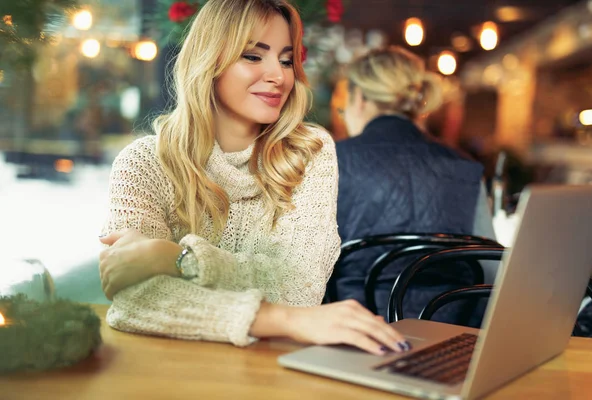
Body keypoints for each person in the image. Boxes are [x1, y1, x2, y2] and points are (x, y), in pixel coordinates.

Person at [98, 0, 409, 356]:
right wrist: (284, 319)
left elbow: (299, 288)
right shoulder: (143, 163)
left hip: (273, 371)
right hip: (171, 373)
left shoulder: (309, 152)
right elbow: (134, 302)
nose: (279, 75)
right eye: (253, 56)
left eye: (286, 59)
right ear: (209, 60)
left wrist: (176, 259)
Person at [334, 46, 496, 320]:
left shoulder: (334, 160)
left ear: (359, 98)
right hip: (449, 333)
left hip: (355, 331)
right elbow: (491, 265)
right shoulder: (465, 166)